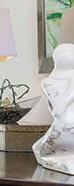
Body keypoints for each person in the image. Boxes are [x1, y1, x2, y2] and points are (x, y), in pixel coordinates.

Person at [33, 43, 74, 174]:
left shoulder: (47, 82)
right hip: (64, 129)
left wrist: (62, 104)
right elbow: (54, 108)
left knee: (42, 147)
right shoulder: (48, 82)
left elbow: (54, 108)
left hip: (64, 128)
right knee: (43, 146)